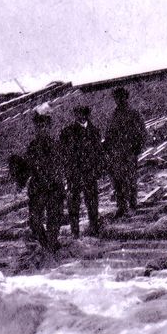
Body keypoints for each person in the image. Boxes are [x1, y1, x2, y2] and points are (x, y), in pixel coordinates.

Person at [59, 105, 105, 237]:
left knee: (92, 202)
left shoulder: (94, 131)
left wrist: (99, 169)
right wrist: (68, 170)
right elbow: (63, 154)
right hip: (74, 174)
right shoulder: (67, 132)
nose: (80, 116)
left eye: (82, 113)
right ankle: (75, 232)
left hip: (90, 173)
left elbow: (99, 153)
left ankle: (94, 229)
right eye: (77, 113)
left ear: (86, 115)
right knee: (74, 204)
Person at [24, 107, 66, 251]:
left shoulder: (56, 145)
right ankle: (46, 244)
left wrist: (52, 180)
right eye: (38, 126)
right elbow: (29, 167)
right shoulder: (32, 146)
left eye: (44, 126)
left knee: (54, 220)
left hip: (54, 188)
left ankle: (52, 245)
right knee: (34, 221)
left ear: (48, 127)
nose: (41, 129)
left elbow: (59, 166)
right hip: (38, 189)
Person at [104, 87, 147, 218]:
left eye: (121, 97)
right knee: (117, 180)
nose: (119, 100)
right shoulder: (113, 115)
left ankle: (133, 204)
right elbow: (108, 134)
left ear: (125, 97)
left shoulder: (134, 113)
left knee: (130, 178)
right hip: (115, 152)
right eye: (116, 97)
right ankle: (121, 206)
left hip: (129, 151)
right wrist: (107, 148)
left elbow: (142, 132)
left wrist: (137, 148)